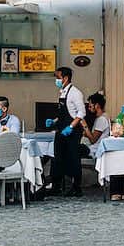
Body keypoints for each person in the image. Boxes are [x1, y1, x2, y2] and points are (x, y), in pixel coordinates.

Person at [47, 66, 86, 197]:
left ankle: (76, 187)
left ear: (66, 78)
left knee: (73, 158)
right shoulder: (62, 92)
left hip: (72, 131)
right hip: (61, 128)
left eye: (58, 78)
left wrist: (71, 127)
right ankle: (56, 186)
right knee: (57, 157)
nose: (56, 80)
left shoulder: (75, 93)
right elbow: (64, 113)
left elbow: (81, 113)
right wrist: (54, 121)